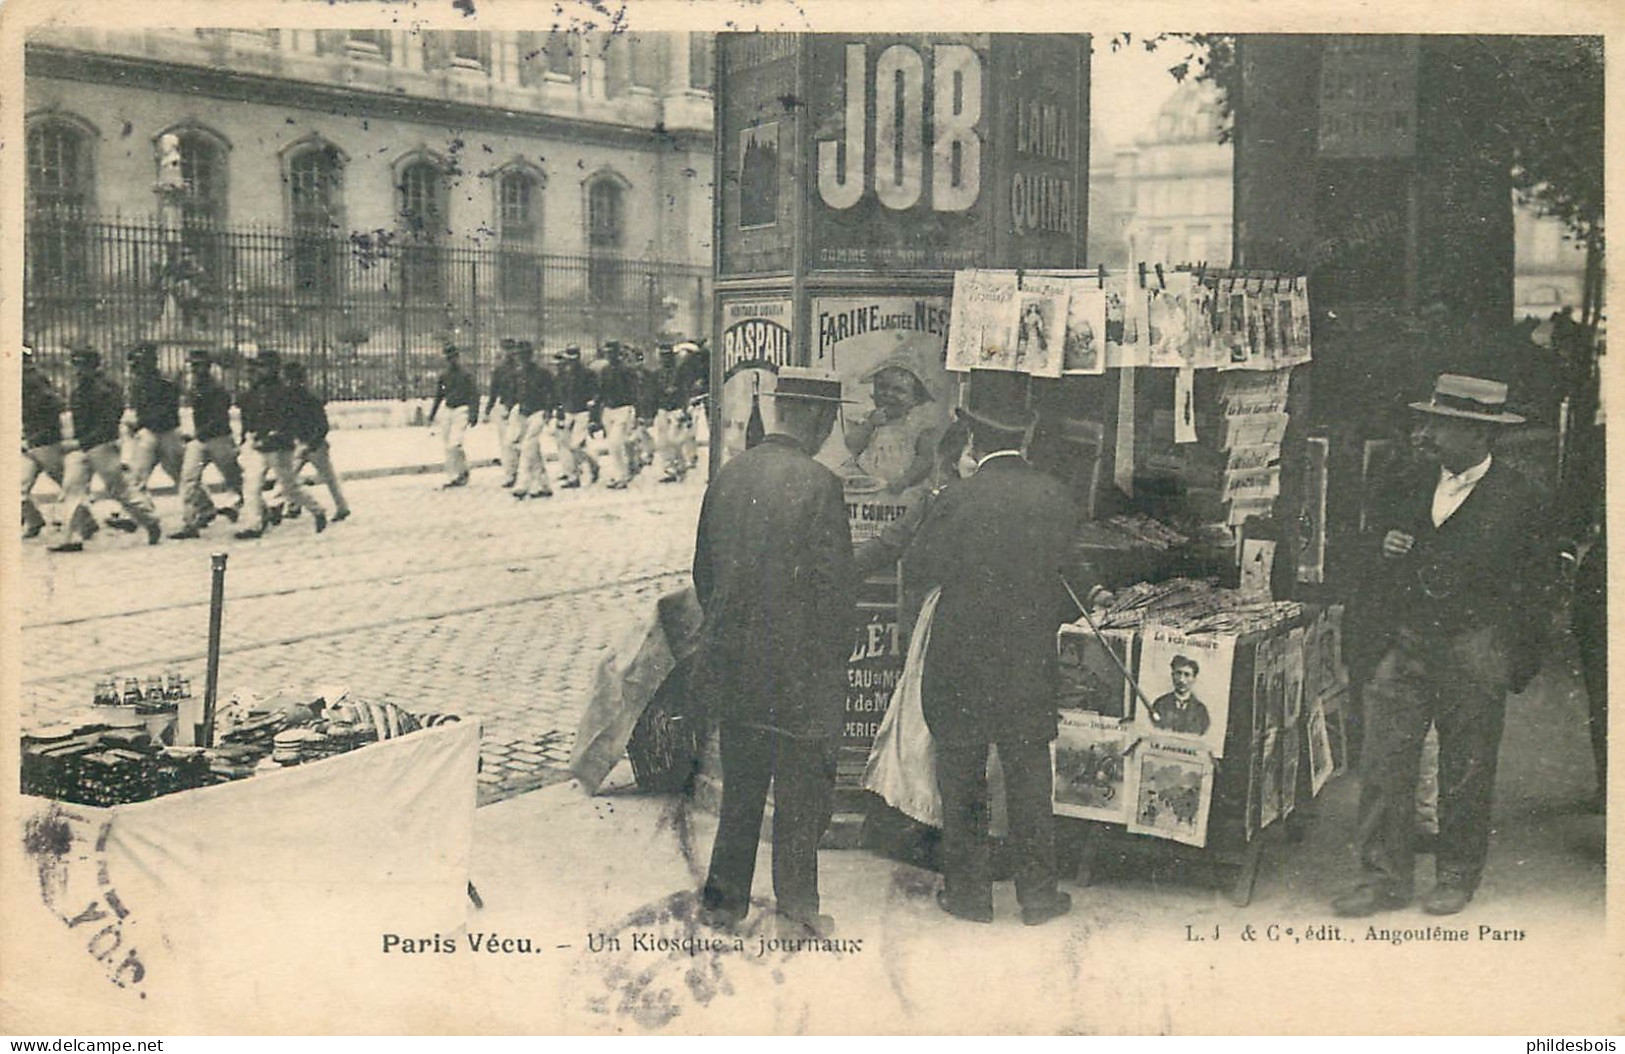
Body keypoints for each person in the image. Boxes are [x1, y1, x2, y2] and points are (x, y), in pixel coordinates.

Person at [1334, 373, 1551, 918]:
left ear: (1479, 436)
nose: (1426, 434)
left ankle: (1455, 874)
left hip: (1475, 647)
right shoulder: (1405, 478)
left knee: (1468, 767)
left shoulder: (1521, 497)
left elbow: (1537, 587)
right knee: (1384, 760)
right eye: (1428, 421)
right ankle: (1381, 877)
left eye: (1440, 425)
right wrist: (1382, 546)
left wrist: (1510, 660)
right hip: (1403, 640)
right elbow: (1361, 548)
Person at [902, 373, 1079, 926]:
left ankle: (970, 896)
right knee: (1029, 777)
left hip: (961, 660)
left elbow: (922, 569)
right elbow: (1070, 584)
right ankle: (1039, 897)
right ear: (1025, 440)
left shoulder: (954, 498)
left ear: (973, 443)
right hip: (1028, 660)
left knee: (962, 776)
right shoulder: (1054, 495)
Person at [692, 367, 857, 938]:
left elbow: (703, 575)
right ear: (815, 417)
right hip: (798, 669)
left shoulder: (728, 477)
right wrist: (835, 658)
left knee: (741, 790)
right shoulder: (820, 485)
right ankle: (797, 912)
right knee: (798, 795)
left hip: (736, 665)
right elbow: (835, 590)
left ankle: (721, 905)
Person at [50, 344, 162, 552]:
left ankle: (150, 521)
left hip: (102, 447)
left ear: (93, 366)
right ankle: (71, 538)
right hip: (83, 447)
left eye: (80, 366)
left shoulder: (107, 390)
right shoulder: (79, 390)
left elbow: (108, 426)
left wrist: (80, 442)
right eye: (74, 366)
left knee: (120, 491)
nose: (76, 371)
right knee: (72, 489)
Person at [235, 350, 326, 538]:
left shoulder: (286, 393)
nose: (261, 370)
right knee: (251, 485)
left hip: (280, 447)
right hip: (260, 445)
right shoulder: (257, 390)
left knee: (289, 488)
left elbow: (293, 419)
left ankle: (317, 510)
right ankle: (253, 524)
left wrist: (279, 432)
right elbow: (247, 408)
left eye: (265, 366)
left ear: (275, 368)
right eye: (259, 366)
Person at [843, 350, 944, 496]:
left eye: (899, 390)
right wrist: (869, 425)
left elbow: (925, 460)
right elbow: (853, 446)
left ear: (915, 399)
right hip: (867, 482)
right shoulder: (868, 419)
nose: (888, 394)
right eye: (882, 387)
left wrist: (905, 481)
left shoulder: (918, 426)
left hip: (904, 487)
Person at [169, 349, 243, 539]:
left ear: (208, 367)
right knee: (188, 479)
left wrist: (197, 434)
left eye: (199, 365)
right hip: (202, 440)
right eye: (193, 365)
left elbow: (218, 418)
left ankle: (260, 512)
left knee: (234, 480)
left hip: (219, 439)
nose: (195, 369)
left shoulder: (216, 389)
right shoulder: (197, 386)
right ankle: (189, 523)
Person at [21, 345, 90, 541]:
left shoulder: (31, 380)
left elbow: (55, 404)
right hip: (32, 440)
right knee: (19, 487)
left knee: (65, 485)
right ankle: (34, 521)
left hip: (43, 441)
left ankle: (86, 522)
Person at [282, 361, 351, 523]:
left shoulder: (310, 399)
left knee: (328, 477)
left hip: (314, 445)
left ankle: (342, 507)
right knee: (290, 477)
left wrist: (311, 444)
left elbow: (322, 426)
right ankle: (294, 506)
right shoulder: (293, 398)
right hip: (300, 443)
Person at [124, 342, 187, 512]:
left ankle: (203, 508)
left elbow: (167, 414)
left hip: (167, 434)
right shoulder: (136, 386)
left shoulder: (166, 384)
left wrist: (139, 423)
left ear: (151, 362)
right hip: (148, 434)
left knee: (180, 473)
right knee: (137, 474)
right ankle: (142, 510)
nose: (135, 368)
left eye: (140, 363)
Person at [428, 342, 478, 488]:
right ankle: (458, 473)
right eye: (449, 358)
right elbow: (439, 395)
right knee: (447, 445)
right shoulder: (444, 376)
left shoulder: (466, 375)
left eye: (454, 357)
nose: (452, 360)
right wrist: (432, 414)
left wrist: (473, 414)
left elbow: (474, 395)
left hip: (462, 410)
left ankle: (458, 474)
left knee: (455, 443)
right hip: (448, 411)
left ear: (458, 357)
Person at [512, 342, 556, 501]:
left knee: (527, 447)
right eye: (518, 354)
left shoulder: (542, 373)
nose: (521, 357)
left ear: (530, 355)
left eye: (524, 354)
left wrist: (550, 411)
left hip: (539, 412)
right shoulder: (519, 373)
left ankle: (522, 484)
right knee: (532, 450)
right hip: (524, 413)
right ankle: (544, 485)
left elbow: (553, 392)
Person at [551, 345, 599, 489]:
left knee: (576, 445)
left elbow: (594, 392)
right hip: (568, 411)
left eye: (574, 358)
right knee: (564, 444)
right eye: (569, 359)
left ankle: (593, 464)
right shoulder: (564, 375)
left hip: (582, 411)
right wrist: (559, 408)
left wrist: (593, 412)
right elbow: (560, 394)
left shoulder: (588, 373)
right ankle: (573, 476)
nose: (572, 362)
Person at [595, 340, 641, 490]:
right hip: (608, 410)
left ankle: (621, 476)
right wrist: (595, 416)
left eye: (612, 352)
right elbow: (600, 393)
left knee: (615, 444)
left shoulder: (627, 370)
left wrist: (637, 413)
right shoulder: (604, 371)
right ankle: (630, 464)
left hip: (623, 409)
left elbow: (635, 393)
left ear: (618, 353)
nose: (609, 355)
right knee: (618, 443)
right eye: (607, 352)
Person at [484, 339, 522, 489]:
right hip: (504, 407)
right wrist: (488, 409)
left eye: (511, 349)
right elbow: (494, 391)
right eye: (506, 350)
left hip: (519, 408)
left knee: (515, 441)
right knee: (506, 443)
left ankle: (520, 470)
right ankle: (511, 473)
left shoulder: (520, 368)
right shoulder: (499, 370)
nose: (509, 353)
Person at [652, 344, 690, 483]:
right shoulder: (657, 374)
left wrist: (685, 409)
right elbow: (654, 393)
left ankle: (680, 464)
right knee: (662, 442)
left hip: (676, 409)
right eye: (662, 356)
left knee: (674, 440)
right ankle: (669, 469)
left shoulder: (679, 372)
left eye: (667, 356)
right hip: (663, 409)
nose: (665, 359)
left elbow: (685, 391)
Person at [1147, 655, 1212, 735]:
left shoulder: (1200, 710)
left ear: (1194, 679)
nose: (1181, 680)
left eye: (1187, 675)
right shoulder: (1160, 704)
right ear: (1172, 675)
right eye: (1178, 673)